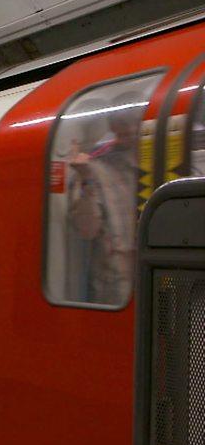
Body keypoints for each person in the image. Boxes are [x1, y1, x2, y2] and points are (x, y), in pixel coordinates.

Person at [68, 92, 143, 305]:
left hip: (159, 279)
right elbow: (86, 229)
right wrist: (85, 178)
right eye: (122, 122)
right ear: (113, 126)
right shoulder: (96, 169)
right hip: (115, 288)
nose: (129, 129)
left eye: (134, 121)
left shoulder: (163, 162)